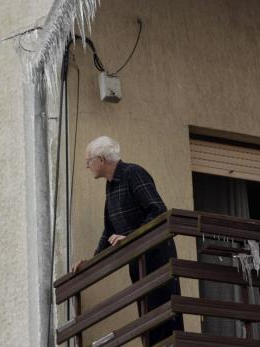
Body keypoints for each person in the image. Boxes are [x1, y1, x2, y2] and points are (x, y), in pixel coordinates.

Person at [71, 136, 183, 343]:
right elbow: (109, 231)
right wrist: (90, 263)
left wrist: (131, 237)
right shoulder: (111, 186)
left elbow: (157, 210)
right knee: (148, 321)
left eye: (88, 161)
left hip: (157, 257)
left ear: (102, 159)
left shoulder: (133, 173)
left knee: (164, 318)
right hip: (138, 262)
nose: (87, 166)